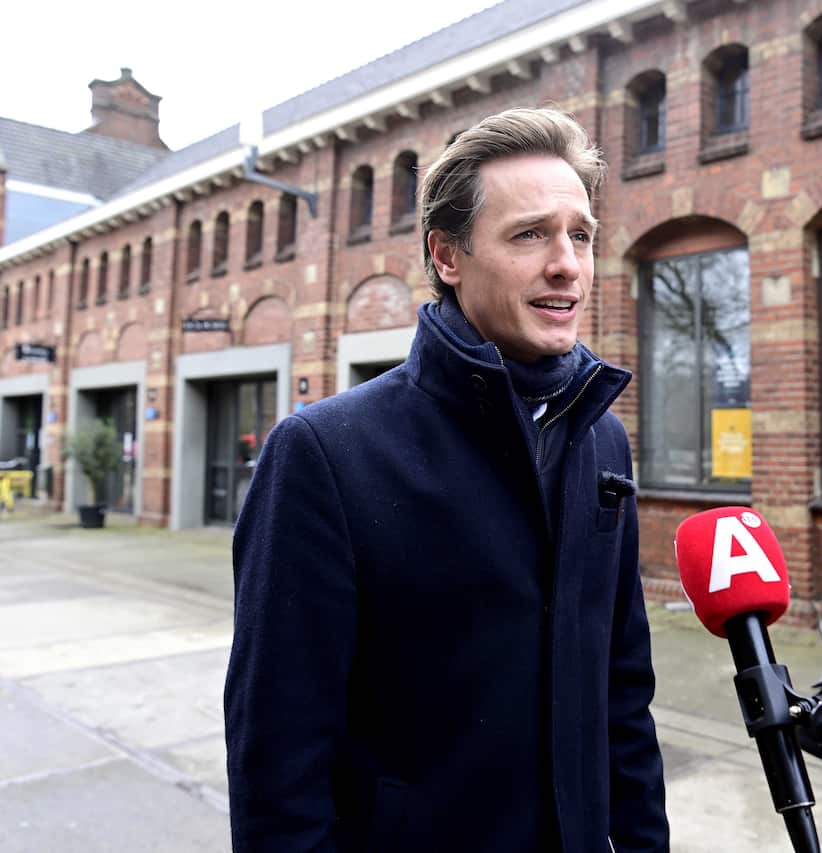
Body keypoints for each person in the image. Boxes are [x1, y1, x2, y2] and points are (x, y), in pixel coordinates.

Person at [223, 108, 669, 853]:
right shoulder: (324, 454)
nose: (567, 263)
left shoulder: (602, 439)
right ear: (449, 256)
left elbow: (624, 696)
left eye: (581, 235)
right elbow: (279, 759)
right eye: (530, 234)